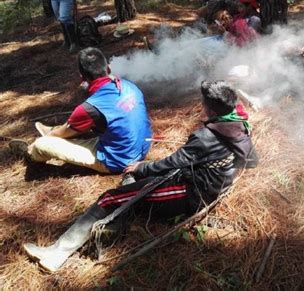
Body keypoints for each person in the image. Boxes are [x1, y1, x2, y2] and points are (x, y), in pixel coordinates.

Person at [22, 80, 258, 272]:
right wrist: (222, 170)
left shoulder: (205, 136)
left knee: (110, 198)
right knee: (131, 189)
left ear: (210, 109)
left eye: (203, 103)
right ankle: (113, 226)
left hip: (191, 192)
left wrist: (141, 167)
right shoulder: (239, 125)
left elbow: (173, 162)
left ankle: (57, 253)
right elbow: (252, 161)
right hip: (202, 182)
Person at [9, 47, 152, 174]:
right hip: (143, 146)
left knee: (42, 144)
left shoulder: (90, 107)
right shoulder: (129, 85)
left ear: (82, 77)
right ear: (108, 68)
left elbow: (65, 132)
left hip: (119, 160)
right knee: (83, 127)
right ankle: (58, 130)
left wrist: (52, 135)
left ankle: (29, 153)